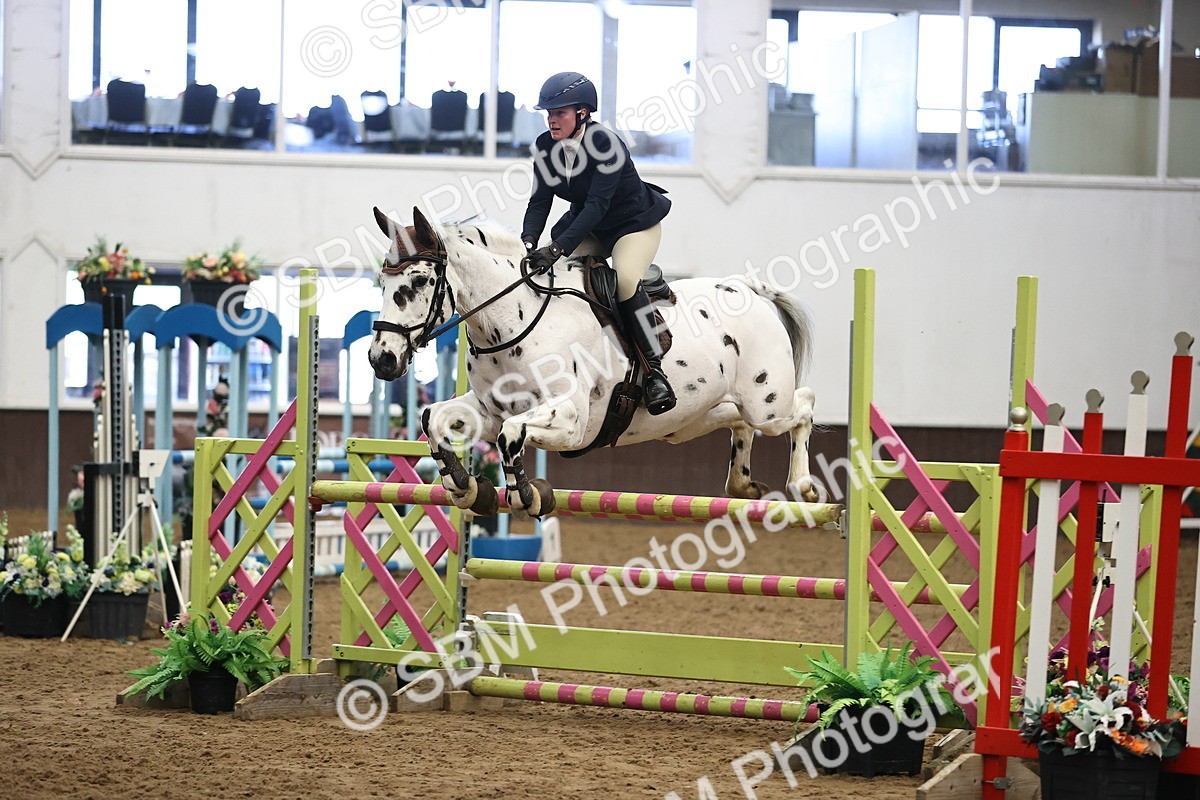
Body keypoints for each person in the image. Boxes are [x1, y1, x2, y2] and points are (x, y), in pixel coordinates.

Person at [521, 71, 676, 415]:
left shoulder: (605, 143)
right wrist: (530, 242)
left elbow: (597, 205)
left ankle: (655, 373)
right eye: (548, 113)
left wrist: (558, 247)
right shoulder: (546, 146)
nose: (551, 120)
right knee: (551, 275)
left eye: (559, 113)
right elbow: (540, 200)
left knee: (624, 281)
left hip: (632, 225)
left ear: (582, 113)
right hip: (590, 225)